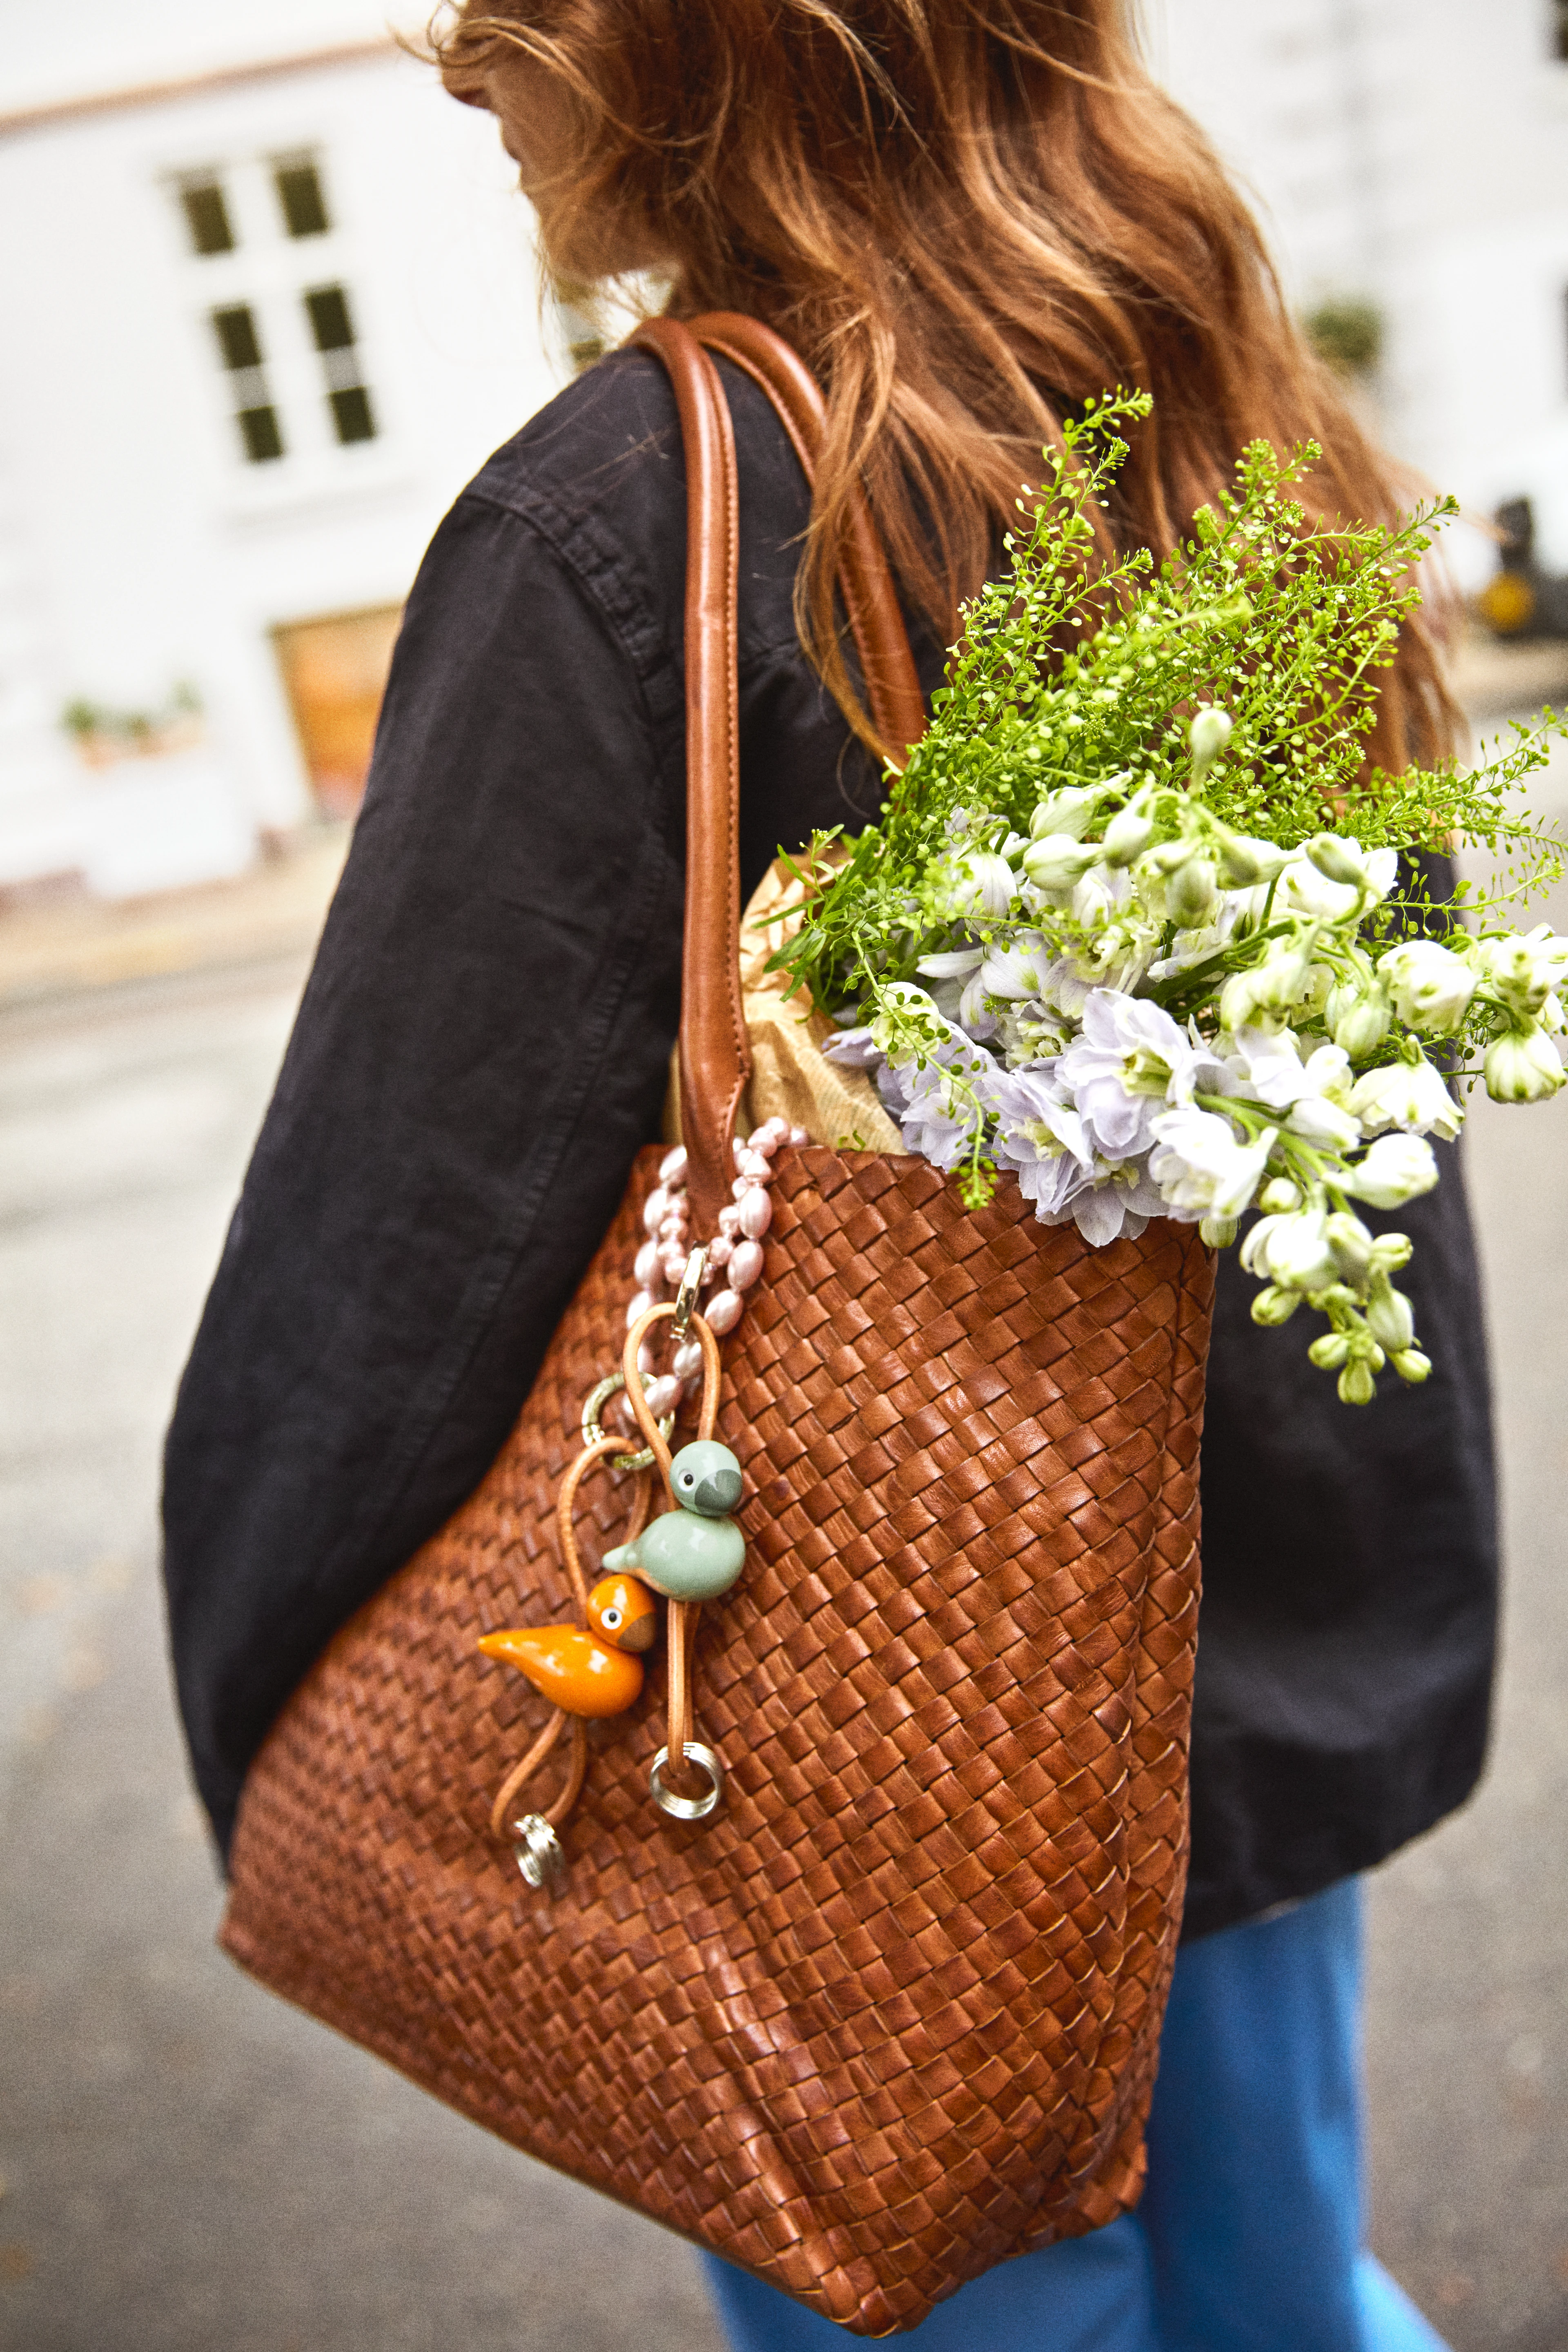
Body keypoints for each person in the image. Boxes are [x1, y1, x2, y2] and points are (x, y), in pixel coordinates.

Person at [161, 4, 1496, 2345]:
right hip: (1248, 1726)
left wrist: (267, 1692)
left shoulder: (639, 514)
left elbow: (400, 1253)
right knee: (1280, 2301)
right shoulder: (1210, 397)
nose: (451, 53)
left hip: (858, 1791)